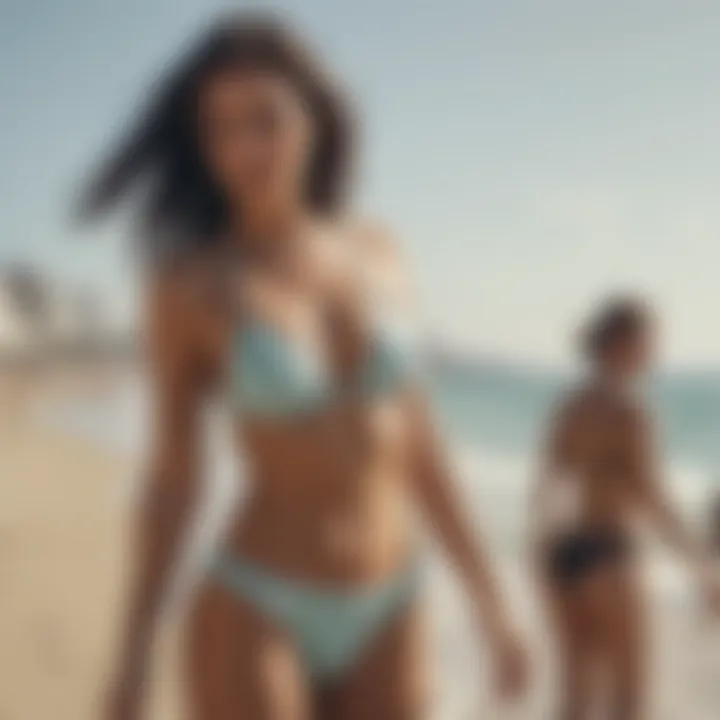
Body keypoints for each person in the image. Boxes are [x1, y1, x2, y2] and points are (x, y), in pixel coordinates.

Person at [79, 13, 528, 720]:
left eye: (264, 120)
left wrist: (492, 603)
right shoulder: (189, 283)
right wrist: (134, 653)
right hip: (258, 598)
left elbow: (421, 448)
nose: (242, 148)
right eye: (219, 129)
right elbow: (173, 477)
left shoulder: (381, 251)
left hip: (393, 599)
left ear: (312, 117)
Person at [530, 297, 720, 720]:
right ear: (620, 342)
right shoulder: (633, 410)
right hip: (610, 554)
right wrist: (701, 563)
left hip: (562, 554)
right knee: (629, 702)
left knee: (575, 699)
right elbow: (651, 494)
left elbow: (547, 488)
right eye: (649, 341)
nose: (655, 353)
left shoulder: (569, 405)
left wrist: (542, 552)